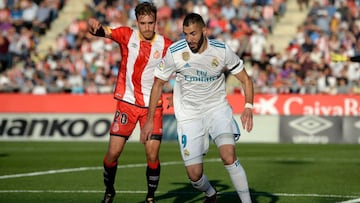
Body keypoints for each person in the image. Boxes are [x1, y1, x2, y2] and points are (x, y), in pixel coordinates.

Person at [141, 13, 254, 203]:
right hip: (189, 115)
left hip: (217, 109)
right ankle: (210, 193)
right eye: (186, 34)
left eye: (193, 34)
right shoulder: (176, 52)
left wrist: (248, 106)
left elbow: (245, 79)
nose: (189, 39)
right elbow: (158, 84)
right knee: (194, 175)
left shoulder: (221, 50)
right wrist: (150, 119)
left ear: (204, 31)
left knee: (228, 155)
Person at [87, 2, 172, 203]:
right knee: (113, 153)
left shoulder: (166, 45)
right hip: (127, 103)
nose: (148, 27)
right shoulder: (127, 35)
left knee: (152, 155)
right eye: (143, 23)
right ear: (137, 22)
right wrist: (94, 26)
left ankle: (150, 198)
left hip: (153, 107)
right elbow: (102, 31)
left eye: (151, 23)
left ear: (156, 22)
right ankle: (109, 190)